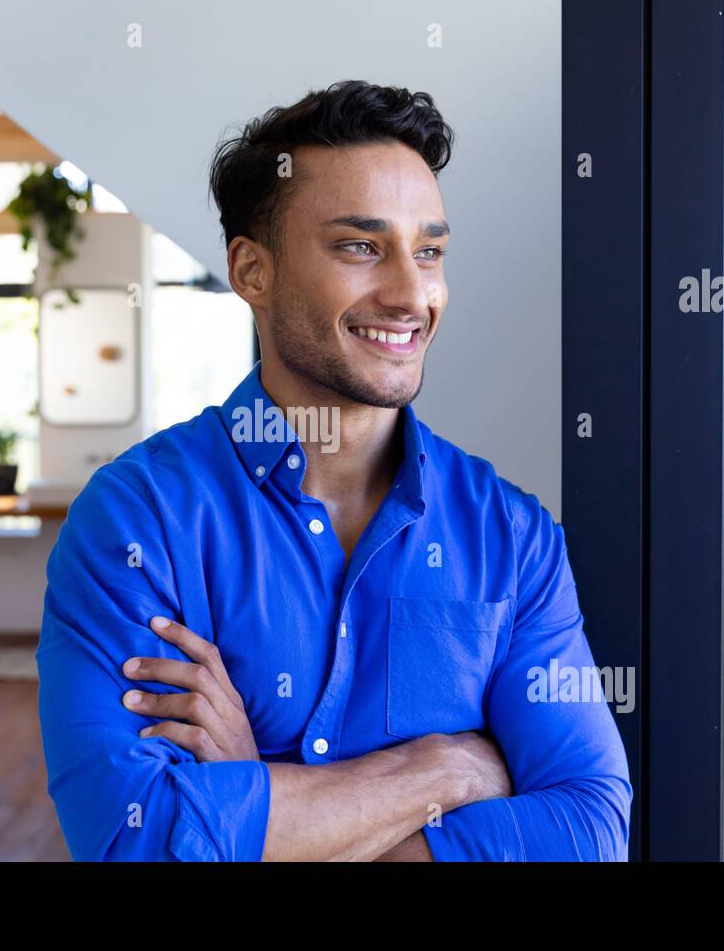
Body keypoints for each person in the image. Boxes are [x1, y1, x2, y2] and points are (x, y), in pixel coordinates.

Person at [37, 80, 631, 861]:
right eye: (360, 246)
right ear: (252, 271)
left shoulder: (514, 536)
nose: (411, 293)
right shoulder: (138, 522)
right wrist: (446, 766)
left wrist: (255, 802)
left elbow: (590, 830)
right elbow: (133, 840)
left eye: (429, 251)